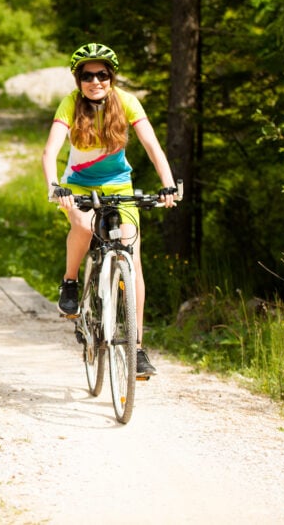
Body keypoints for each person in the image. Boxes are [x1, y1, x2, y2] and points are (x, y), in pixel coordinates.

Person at [41, 42, 177, 377]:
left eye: (102, 74)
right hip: (77, 185)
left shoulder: (127, 102)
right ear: (79, 80)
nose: (95, 81)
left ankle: (137, 348)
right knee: (84, 227)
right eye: (88, 76)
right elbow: (49, 152)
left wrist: (169, 184)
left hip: (119, 185)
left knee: (132, 254)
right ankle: (70, 282)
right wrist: (54, 186)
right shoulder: (70, 104)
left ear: (111, 77)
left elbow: (152, 146)